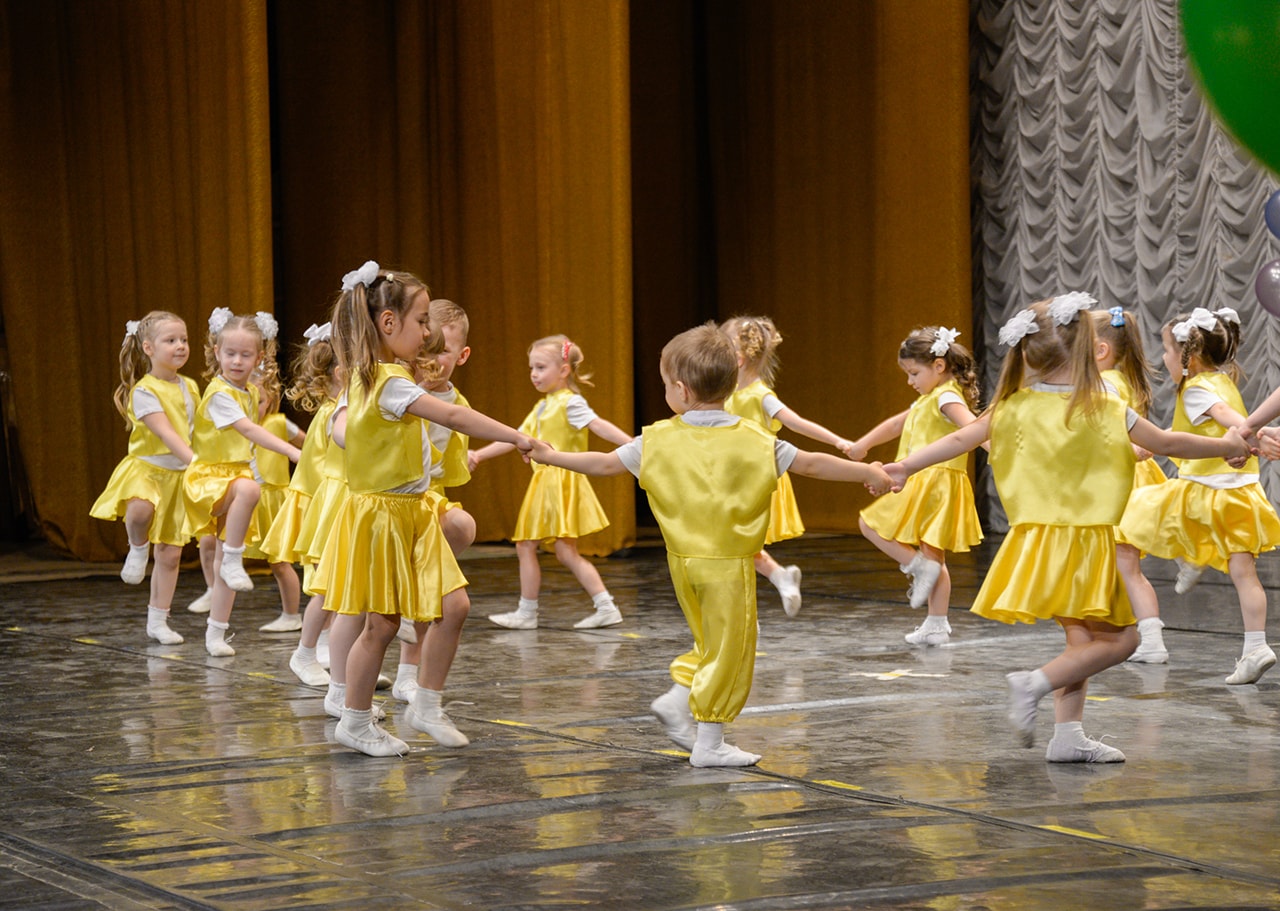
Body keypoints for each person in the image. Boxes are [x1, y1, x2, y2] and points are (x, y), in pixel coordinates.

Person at [884, 295, 1249, 762]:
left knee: (1081, 640)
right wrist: (1229, 444)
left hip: (1034, 543)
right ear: (1085, 352)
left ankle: (1067, 736)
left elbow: (958, 438)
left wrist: (904, 467)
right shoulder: (1105, 406)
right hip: (1085, 541)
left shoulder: (1011, 406)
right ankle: (1034, 682)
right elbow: (1169, 442)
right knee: (1123, 639)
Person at [527, 323, 893, 768]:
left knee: (712, 640)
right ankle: (709, 740)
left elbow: (602, 464)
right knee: (733, 646)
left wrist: (551, 456)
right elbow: (814, 465)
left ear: (681, 391)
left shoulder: (656, 439)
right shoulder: (756, 440)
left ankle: (680, 697)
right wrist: (869, 473)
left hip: (683, 564)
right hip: (728, 565)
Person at [314, 261, 532, 757]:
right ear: (389, 323)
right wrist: (517, 436)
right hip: (384, 515)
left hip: (412, 510)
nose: (429, 331)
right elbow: (452, 416)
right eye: (421, 320)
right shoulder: (389, 381)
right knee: (381, 625)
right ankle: (354, 719)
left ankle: (427, 705)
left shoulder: (375, 376)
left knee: (455, 605)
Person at [1115, 307, 1280, 684]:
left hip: (1206, 489)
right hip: (1242, 492)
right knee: (1245, 573)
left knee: (1136, 512)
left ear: (1188, 357)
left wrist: (1254, 433)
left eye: (1167, 351)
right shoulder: (1224, 380)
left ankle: (1192, 555)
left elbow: (1223, 416)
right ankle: (1256, 646)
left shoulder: (1195, 389)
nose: (1164, 358)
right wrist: (1256, 434)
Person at [470, 334, 632, 631]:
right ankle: (605, 606)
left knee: (527, 545)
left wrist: (632, 445)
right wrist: (479, 455)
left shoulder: (570, 402)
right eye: (531, 368)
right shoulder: (543, 406)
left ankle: (528, 612)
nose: (534, 374)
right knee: (562, 551)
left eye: (541, 367)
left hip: (560, 481)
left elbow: (598, 425)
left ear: (564, 370)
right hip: (546, 482)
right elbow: (515, 438)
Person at [852, 326, 983, 645]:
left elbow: (974, 428)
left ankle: (916, 567)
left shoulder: (947, 396)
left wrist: (995, 447)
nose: (910, 381)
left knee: (870, 524)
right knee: (933, 557)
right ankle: (936, 623)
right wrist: (863, 444)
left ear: (938, 366)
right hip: (927, 479)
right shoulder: (928, 399)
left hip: (934, 479)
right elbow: (897, 423)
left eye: (914, 373)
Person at [721, 315, 858, 617]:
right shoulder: (726, 394)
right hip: (728, 480)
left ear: (739, 359)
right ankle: (777, 576)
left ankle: (748, 613)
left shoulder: (760, 396)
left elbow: (796, 422)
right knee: (733, 545)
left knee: (733, 546)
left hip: (753, 481)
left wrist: (837, 441)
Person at [182, 309, 301, 657]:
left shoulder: (249, 391)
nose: (237, 361)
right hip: (209, 477)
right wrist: (291, 452)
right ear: (216, 352)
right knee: (250, 490)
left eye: (245, 355)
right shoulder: (220, 393)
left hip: (234, 476)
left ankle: (215, 634)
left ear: (259, 357)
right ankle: (234, 558)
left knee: (223, 562)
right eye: (230, 353)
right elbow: (248, 430)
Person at [390, 299, 480, 747]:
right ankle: (342, 694)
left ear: (461, 355)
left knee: (460, 531)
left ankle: (413, 683)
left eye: (442, 351)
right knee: (366, 613)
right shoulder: (399, 389)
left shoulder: (457, 400)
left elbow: (452, 448)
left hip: (429, 503)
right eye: (426, 349)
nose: (431, 360)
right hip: (389, 504)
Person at [90, 312, 197, 645]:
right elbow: (166, 433)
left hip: (178, 476)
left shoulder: (191, 386)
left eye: (184, 340)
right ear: (148, 348)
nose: (180, 346)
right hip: (148, 468)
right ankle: (137, 547)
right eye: (171, 340)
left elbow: (197, 429)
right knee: (139, 512)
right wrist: (197, 463)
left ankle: (158, 620)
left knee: (170, 554)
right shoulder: (144, 390)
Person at [1090, 308, 1169, 664]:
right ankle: (1123, 631)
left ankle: (1150, 639)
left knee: (1126, 566)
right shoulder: (1121, 380)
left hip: (1122, 483)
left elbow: (1111, 435)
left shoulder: (1106, 384)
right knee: (1121, 566)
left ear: (1101, 350)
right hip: (1128, 479)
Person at [264, 322, 341, 685]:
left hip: (337, 503)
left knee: (343, 589)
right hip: (328, 506)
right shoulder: (335, 414)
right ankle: (306, 652)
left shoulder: (339, 410)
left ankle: (339, 660)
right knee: (328, 587)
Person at [246, 370, 306, 632]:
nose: (253, 408)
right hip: (246, 499)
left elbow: (309, 446)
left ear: (270, 400)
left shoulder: (280, 424)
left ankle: (291, 615)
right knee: (223, 553)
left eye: (259, 402)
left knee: (280, 563)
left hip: (274, 500)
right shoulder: (234, 425)